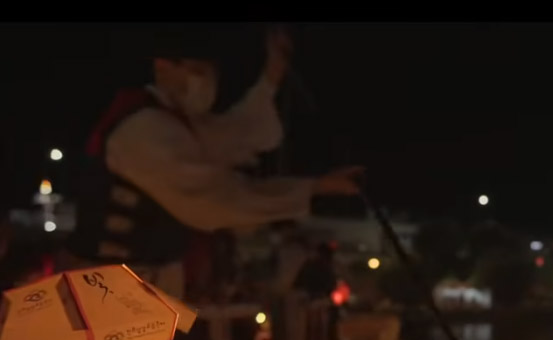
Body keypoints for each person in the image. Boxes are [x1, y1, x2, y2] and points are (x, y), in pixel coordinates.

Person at [64, 26, 362, 299]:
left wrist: (273, 74)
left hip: (142, 285)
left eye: (211, 72)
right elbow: (218, 201)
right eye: (197, 70)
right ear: (163, 67)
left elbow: (236, 131)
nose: (206, 81)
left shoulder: (175, 123)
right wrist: (314, 189)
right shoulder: (144, 129)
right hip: (107, 289)